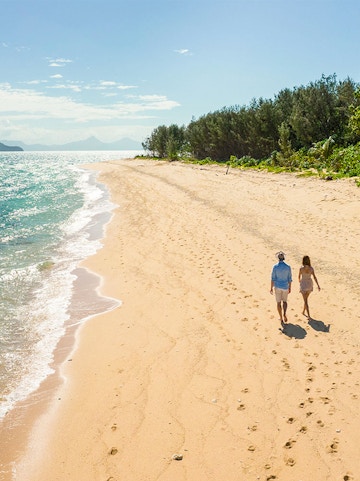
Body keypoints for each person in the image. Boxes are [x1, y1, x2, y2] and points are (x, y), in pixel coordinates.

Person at [270, 251, 292, 326]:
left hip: (277, 286)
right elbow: (289, 278)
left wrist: (271, 288)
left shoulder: (275, 267)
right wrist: (290, 287)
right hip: (285, 286)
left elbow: (273, 278)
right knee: (285, 302)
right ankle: (284, 313)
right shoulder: (288, 267)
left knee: (278, 303)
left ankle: (281, 317)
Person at [298, 255, 320, 320]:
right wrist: (318, 285)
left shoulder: (301, 268)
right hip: (309, 284)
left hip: (304, 285)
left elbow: (299, 276)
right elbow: (314, 277)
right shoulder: (311, 269)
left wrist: (300, 281)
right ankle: (303, 311)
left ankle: (309, 315)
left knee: (305, 301)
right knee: (306, 299)